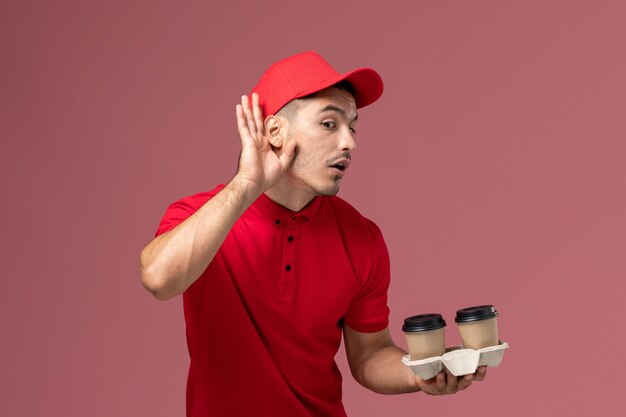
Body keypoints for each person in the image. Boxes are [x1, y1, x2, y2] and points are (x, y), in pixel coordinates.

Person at [140, 50, 486, 417]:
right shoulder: (198, 215)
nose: (349, 142)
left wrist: (421, 373)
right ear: (275, 131)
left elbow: (369, 354)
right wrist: (246, 184)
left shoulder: (361, 237)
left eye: (352, 126)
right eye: (329, 124)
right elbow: (159, 278)